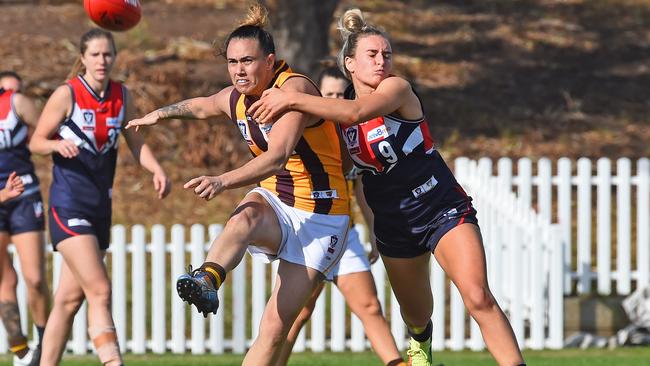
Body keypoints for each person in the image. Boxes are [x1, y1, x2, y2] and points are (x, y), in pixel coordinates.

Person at [249, 8, 527, 366]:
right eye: (372, 55)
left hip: (440, 205)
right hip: (394, 221)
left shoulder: (396, 88)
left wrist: (290, 98)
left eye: (387, 54)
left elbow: (357, 114)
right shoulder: (340, 115)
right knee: (416, 316)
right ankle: (421, 347)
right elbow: (343, 169)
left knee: (477, 297)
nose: (382, 61)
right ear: (350, 63)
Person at [126, 4, 350, 365]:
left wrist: (221, 180)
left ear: (270, 60)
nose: (239, 70)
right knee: (242, 218)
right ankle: (208, 280)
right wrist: (158, 115)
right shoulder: (237, 98)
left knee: (274, 330)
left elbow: (277, 156)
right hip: (279, 201)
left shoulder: (291, 90)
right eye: (232, 62)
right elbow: (200, 105)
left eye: (247, 61)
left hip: (322, 216)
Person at [29, 28, 170, 366]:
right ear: (83, 58)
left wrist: (156, 169)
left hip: (100, 207)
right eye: (95, 54)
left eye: (108, 54)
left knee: (68, 300)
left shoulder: (123, 96)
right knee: (100, 290)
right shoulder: (68, 94)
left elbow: (136, 143)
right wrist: (54, 144)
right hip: (68, 205)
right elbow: (35, 141)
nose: (102, 60)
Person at [275, 66, 404, 366]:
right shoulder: (302, 130)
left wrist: (373, 228)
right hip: (309, 232)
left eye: (339, 94)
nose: (334, 99)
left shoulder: (351, 134)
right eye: (327, 93)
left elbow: (357, 185)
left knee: (370, 306)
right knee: (294, 316)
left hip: (343, 233)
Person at [0, 70, 49, 366]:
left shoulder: (17, 104)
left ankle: (45, 346)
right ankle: (19, 349)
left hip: (24, 196)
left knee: (34, 278)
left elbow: (48, 132)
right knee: (4, 277)